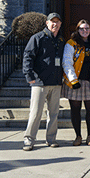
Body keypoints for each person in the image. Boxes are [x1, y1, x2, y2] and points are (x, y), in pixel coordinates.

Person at [22, 13, 65, 151]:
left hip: (56, 82)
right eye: (52, 22)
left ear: (60, 24)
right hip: (40, 82)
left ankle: (51, 139)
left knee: (53, 113)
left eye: (57, 22)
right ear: (47, 23)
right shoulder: (37, 38)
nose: (55, 24)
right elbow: (28, 56)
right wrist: (29, 76)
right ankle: (29, 139)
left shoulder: (61, 40)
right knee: (35, 113)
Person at [61, 20, 90, 146]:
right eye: (82, 28)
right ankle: (78, 136)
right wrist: (73, 80)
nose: (85, 31)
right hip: (76, 81)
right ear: (78, 30)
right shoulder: (72, 44)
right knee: (75, 109)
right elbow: (67, 62)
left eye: (87, 28)